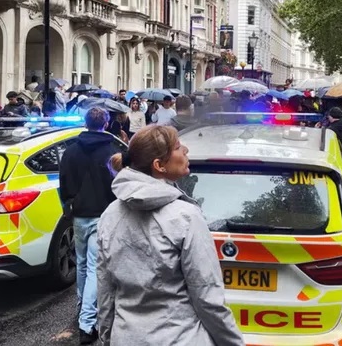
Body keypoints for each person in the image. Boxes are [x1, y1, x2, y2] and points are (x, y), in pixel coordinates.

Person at [97, 126, 244, 346]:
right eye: (177, 147)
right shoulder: (186, 217)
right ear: (159, 166)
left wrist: (107, 336)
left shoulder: (110, 214)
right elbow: (207, 298)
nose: (185, 150)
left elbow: (105, 288)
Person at [60, 108, 122, 344]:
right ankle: (87, 324)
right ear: (106, 124)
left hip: (79, 214)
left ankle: (82, 311)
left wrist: (70, 202)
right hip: (102, 214)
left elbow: (64, 182)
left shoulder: (71, 150)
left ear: (86, 123)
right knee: (96, 267)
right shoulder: (111, 151)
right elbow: (118, 185)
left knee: (83, 263)